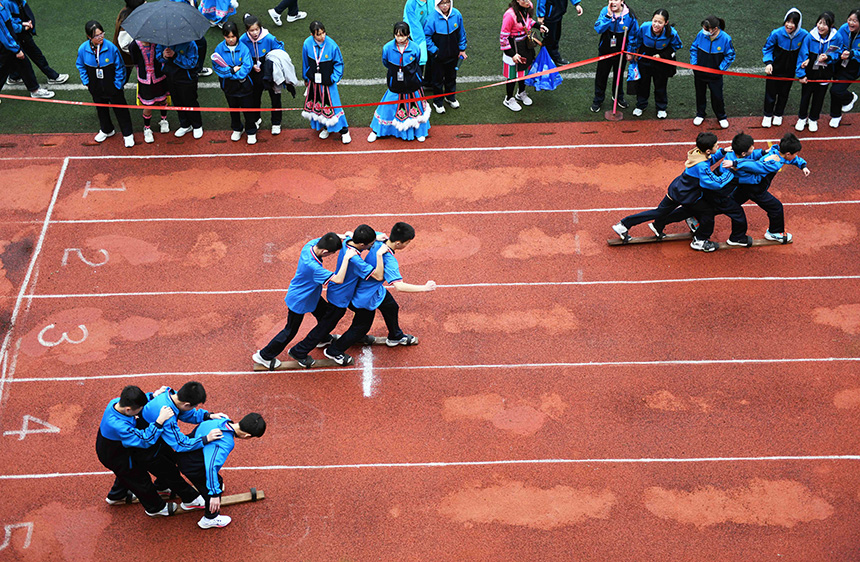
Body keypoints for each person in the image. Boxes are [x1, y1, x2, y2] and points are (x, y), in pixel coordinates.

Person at [611, 132, 736, 253]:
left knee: (661, 211)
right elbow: (715, 183)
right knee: (706, 211)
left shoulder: (697, 153)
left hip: (678, 188)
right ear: (708, 150)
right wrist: (730, 172)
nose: (718, 146)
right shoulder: (701, 166)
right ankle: (700, 241)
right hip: (685, 194)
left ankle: (653, 226)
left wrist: (722, 152)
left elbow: (709, 159)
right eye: (716, 146)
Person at [327, 222, 437, 359]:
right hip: (364, 297)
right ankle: (334, 350)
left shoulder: (377, 238)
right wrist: (425, 288)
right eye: (407, 243)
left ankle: (395, 336)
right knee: (361, 327)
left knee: (391, 307)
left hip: (375, 290)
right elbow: (399, 286)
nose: (407, 245)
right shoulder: (389, 260)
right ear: (398, 243)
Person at [252, 232, 357, 369]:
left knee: (326, 316)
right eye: (330, 254)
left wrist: (343, 236)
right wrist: (346, 259)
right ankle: (265, 356)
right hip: (300, 299)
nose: (330, 256)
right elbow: (338, 279)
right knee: (290, 331)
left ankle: (322, 338)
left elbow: (326, 237)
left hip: (311, 295)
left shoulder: (310, 246)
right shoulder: (313, 267)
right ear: (325, 251)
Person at [309, 225, 389, 366]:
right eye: (371, 245)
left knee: (351, 322)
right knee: (327, 325)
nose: (372, 246)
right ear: (362, 244)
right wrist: (379, 254)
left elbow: (350, 234)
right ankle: (316, 350)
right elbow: (377, 275)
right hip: (341, 297)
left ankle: (334, 340)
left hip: (342, 293)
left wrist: (376, 237)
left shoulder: (348, 241)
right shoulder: (355, 259)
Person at [138, 381, 227, 504]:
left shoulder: (171, 394)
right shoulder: (167, 415)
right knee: (169, 471)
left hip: (154, 436)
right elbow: (180, 444)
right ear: (186, 404)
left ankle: (161, 487)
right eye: (193, 406)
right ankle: (190, 501)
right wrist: (205, 439)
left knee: (169, 460)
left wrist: (208, 416)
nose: (194, 409)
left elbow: (188, 414)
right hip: (144, 445)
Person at [96, 385, 178, 517]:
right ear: (128, 409)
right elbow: (145, 440)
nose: (140, 412)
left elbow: (137, 403)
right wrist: (159, 421)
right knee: (139, 478)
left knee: (126, 474)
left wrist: (152, 396)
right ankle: (155, 508)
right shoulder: (118, 425)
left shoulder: (116, 403)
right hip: (116, 454)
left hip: (110, 448)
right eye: (139, 410)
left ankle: (117, 496)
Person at [176, 413, 266, 529]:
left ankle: (180, 495)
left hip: (183, 453)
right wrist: (213, 493)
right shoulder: (225, 442)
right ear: (247, 436)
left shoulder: (221, 420)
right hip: (192, 466)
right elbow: (211, 467)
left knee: (218, 481)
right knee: (213, 490)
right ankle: (210, 518)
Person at [731, 132, 810, 243]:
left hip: (746, 186)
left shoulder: (776, 150)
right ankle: (774, 233)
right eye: (795, 153)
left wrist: (803, 166)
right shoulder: (774, 162)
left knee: (730, 204)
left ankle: (701, 217)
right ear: (787, 153)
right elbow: (756, 166)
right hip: (756, 189)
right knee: (776, 207)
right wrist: (736, 163)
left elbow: (793, 159)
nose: (796, 156)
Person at [367, 21, 431, 143]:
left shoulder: (415, 48)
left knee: (416, 108)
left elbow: (417, 61)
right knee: (386, 107)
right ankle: (377, 131)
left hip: (412, 84)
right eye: (397, 35)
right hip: (395, 83)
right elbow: (385, 62)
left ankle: (419, 132)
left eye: (402, 35)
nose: (399, 38)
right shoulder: (387, 48)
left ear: (408, 35)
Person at [75, 21, 135, 147]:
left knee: (121, 110)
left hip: (112, 86)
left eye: (101, 34)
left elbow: (120, 67)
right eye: (97, 36)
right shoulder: (83, 49)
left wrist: (118, 84)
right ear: (89, 37)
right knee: (101, 109)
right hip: (96, 86)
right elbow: (80, 66)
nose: (100, 37)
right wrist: (87, 82)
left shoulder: (111, 48)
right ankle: (107, 130)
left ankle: (128, 134)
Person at [301, 20, 350, 144]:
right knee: (319, 106)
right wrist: (306, 78)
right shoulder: (307, 44)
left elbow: (339, 63)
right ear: (312, 35)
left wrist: (334, 78)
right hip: (314, 83)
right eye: (319, 34)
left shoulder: (332, 45)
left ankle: (344, 131)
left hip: (328, 84)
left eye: (323, 33)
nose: (322, 36)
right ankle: (326, 127)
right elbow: (305, 62)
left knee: (334, 106)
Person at [629, 8, 681, 119]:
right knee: (643, 84)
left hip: (661, 62)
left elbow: (676, 46)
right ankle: (641, 105)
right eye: (654, 21)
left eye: (660, 22)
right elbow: (637, 40)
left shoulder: (671, 33)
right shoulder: (644, 27)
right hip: (645, 59)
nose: (656, 25)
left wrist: (662, 55)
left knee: (660, 85)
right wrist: (636, 54)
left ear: (666, 23)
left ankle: (661, 108)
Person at [212, 21, 257, 144]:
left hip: (244, 85)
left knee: (248, 109)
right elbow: (217, 67)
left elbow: (247, 66)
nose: (231, 39)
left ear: (237, 35)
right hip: (229, 87)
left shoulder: (243, 48)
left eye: (233, 36)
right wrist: (231, 71)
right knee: (233, 108)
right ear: (224, 36)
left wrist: (234, 74)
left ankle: (251, 131)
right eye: (228, 37)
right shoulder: (219, 48)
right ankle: (237, 129)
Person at [761, 9, 807, 128]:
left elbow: (806, 52)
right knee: (770, 93)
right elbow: (767, 48)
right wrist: (769, 63)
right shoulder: (776, 33)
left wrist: (806, 62)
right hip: (775, 69)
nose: (789, 25)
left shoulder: (804, 35)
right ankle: (767, 115)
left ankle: (778, 114)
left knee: (784, 93)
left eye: (793, 22)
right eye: (788, 21)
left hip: (789, 71)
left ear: (798, 24)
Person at [5, 0, 68, 86]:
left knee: (17, 58)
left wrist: (27, 23)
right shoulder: (6, 3)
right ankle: (51, 76)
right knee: (35, 55)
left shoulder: (17, 1)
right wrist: (23, 27)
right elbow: (8, 24)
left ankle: (14, 77)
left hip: (21, 33)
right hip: (18, 35)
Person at [240, 13, 285, 136]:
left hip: (268, 68)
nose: (254, 33)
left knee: (275, 96)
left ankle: (276, 122)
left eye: (256, 29)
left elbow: (280, 50)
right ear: (247, 30)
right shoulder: (243, 40)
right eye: (251, 30)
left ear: (260, 28)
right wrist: (251, 65)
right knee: (255, 96)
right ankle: (256, 118)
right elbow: (242, 55)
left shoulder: (269, 38)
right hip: (253, 70)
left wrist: (271, 63)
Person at [0, 0, 53, 99]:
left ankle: (34, 89)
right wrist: (16, 49)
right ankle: (35, 90)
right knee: (4, 70)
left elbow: (9, 22)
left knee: (24, 65)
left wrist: (22, 24)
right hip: (6, 47)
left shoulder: (2, 5)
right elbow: (5, 34)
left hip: (9, 45)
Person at [591, 0, 637, 114]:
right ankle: (598, 99)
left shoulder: (629, 15)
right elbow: (598, 29)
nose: (613, 2)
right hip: (606, 47)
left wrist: (630, 51)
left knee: (619, 74)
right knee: (601, 74)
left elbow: (633, 34)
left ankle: (618, 96)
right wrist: (608, 17)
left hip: (621, 48)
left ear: (622, 1)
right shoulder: (605, 11)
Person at [500, 0, 546, 112]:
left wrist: (538, 26)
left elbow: (528, 22)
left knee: (524, 71)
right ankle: (509, 98)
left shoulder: (528, 6)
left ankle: (521, 93)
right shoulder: (509, 15)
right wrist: (512, 54)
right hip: (513, 47)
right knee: (512, 75)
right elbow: (503, 38)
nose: (527, 1)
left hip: (525, 46)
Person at [796, 11, 837, 133]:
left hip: (825, 74)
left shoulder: (836, 37)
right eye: (819, 23)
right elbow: (802, 55)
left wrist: (829, 58)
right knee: (805, 96)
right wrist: (801, 74)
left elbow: (837, 54)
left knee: (819, 97)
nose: (821, 26)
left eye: (825, 24)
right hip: (810, 74)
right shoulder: (809, 37)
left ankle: (813, 119)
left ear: (831, 26)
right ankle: (802, 118)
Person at [424, 0, 467, 114]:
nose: (445, 6)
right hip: (438, 57)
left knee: (451, 77)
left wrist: (462, 49)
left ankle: (450, 97)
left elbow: (461, 33)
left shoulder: (456, 15)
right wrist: (435, 51)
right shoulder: (431, 18)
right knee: (437, 80)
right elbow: (427, 37)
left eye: (447, 3)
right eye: (442, 3)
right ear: (437, 4)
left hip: (453, 55)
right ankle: (438, 102)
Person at [690, 15, 735, 129]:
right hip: (699, 73)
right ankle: (700, 114)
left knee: (717, 96)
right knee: (700, 94)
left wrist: (720, 69)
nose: (703, 31)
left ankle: (721, 116)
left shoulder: (725, 38)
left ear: (714, 29)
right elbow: (694, 48)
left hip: (715, 76)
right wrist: (694, 64)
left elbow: (730, 55)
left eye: (706, 29)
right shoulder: (701, 35)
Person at [157, 40, 204, 138]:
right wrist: (164, 56)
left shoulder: (190, 44)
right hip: (171, 78)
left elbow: (192, 63)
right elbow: (158, 57)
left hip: (187, 79)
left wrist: (175, 56)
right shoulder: (162, 42)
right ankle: (185, 124)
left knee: (190, 101)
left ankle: (197, 125)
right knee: (177, 102)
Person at [129, 39, 170, 143]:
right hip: (145, 80)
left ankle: (164, 120)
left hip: (159, 77)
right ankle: (147, 128)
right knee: (148, 105)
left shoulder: (158, 43)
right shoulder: (134, 46)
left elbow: (161, 58)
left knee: (163, 100)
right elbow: (135, 61)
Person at [827, 9, 860, 128]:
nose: (851, 23)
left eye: (855, 21)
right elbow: (836, 44)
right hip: (839, 62)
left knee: (836, 89)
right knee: (835, 85)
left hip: (854, 66)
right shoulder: (843, 28)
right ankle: (836, 115)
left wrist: (852, 54)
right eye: (850, 19)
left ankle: (850, 97)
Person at [536, 0, 582, 67]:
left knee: (556, 36)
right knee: (550, 38)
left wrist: (577, 4)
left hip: (558, 12)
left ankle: (550, 57)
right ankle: (549, 58)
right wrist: (540, 15)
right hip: (550, 15)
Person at [403, 0, 430, 76]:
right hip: (414, 36)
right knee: (417, 59)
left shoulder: (432, 1)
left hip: (427, 33)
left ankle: (428, 82)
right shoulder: (411, 3)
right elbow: (414, 27)